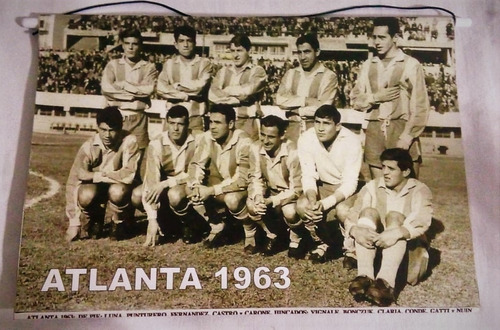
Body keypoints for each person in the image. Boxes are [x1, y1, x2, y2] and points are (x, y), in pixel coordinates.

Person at [346, 148, 432, 307]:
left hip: (408, 252)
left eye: (391, 168)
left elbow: (422, 220)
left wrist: (396, 232)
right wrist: (354, 230)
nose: (385, 172)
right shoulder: (372, 186)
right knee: (368, 212)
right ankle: (365, 276)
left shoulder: (419, 190)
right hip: (375, 250)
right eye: (383, 167)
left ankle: (385, 284)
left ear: (405, 171)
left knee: (395, 217)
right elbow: (354, 213)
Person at [350, 17, 430, 179]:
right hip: (374, 130)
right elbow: (355, 100)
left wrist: (407, 138)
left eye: (382, 37)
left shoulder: (410, 64)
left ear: (395, 38)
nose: (377, 42)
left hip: (400, 129)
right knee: (380, 192)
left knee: (407, 191)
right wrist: (374, 97)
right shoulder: (368, 66)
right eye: (374, 37)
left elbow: (420, 106)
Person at [296, 105, 363, 265]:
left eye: (326, 123)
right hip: (322, 185)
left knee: (343, 210)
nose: (320, 128)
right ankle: (323, 243)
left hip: (347, 188)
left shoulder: (352, 141)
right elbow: (308, 174)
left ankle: (351, 250)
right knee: (303, 205)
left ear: (338, 126)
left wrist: (324, 204)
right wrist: (313, 201)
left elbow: (350, 183)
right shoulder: (306, 138)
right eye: (317, 122)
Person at [65, 107, 141, 242]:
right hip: (98, 188)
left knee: (118, 190)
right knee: (85, 194)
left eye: (112, 130)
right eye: (103, 130)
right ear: (97, 128)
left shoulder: (130, 141)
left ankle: (118, 222)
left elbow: (128, 175)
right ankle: (96, 218)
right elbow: (74, 180)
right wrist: (73, 222)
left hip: (120, 188)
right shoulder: (88, 146)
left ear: (121, 127)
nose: (107, 135)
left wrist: (95, 175)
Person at [186, 104, 253, 252]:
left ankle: (250, 231)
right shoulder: (207, 137)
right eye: (210, 122)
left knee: (232, 199)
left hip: (244, 188)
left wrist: (211, 190)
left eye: (218, 123)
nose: (213, 127)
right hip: (222, 185)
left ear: (230, 124)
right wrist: (196, 185)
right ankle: (216, 225)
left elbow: (242, 180)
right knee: (190, 188)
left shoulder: (244, 141)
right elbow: (196, 165)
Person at [140, 105, 199, 247]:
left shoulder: (198, 139)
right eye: (172, 124)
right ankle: (166, 221)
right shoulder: (156, 143)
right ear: (167, 122)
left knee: (175, 194)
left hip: (189, 185)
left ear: (187, 124)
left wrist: (166, 183)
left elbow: (195, 173)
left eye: (180, 124)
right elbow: (151, 182)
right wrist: (152, 219)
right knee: (137, 195)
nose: (176, 129)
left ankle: (189, 223)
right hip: (166, 188)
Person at [247, 115, 302, 255]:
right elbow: (255, 178)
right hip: (270, 192)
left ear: (282, 135)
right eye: (263, 135)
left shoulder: (293, 152)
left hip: (291, 196)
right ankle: (272, 234)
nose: (265, 141)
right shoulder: (255, 148)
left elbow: (297, 189)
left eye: (271, 137)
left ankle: (296, 238)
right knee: (252, 205)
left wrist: (272, 201)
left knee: (290, 212)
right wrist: (258, 196)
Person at [101, 28, 158, 152]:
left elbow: (148, 90)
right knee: (113, 160)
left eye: (135, 44)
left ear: (140, 45)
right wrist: (133, 95)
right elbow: (106, 89)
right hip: (116, 117)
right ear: (122, 45)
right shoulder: (113, 65)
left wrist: (123, 85)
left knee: (138, 161)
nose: (131, 47)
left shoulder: (148, 67)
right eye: (127, 43)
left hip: (139, 119)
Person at [276, 33, 338, 142]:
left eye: (307, 52)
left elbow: (323, 109)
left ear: (317, 52)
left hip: (316, 134)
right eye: (299, 52)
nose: (302, 57)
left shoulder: (329, 76)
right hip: (292, 132)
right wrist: (306, 101)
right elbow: (280, 100)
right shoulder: (291, 73)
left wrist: (296, 110)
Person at [209, 34, 267, 140]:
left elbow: (247, 91)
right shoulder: (223, 71)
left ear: (249, 51)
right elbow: (212, 95)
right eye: (233, 51)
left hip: (248, 122)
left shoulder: (258, 71)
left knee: (247, 154)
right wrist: (237, 99)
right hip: (225, 123)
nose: (235, 55)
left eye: (239, 50)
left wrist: (226, 91)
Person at [157, 25, 212, 134]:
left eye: (189, 41)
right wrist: (184, 95)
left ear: (195, 43)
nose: (185, 45)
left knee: (196, 150)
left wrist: (175, 86)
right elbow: (160, 88)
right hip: (173, 118)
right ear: (176, 44)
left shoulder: (204, 63)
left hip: (195, 118)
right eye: (181, 41)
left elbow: (199, 87)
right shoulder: (169, 64)